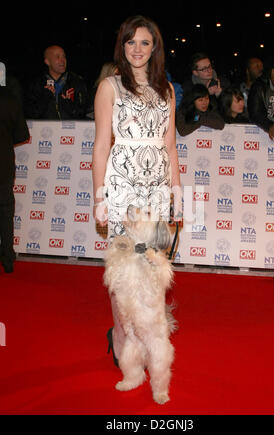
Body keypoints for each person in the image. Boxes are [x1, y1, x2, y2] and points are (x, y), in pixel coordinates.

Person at [92, 16, 182, 367]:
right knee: (123, 269)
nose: (138, 49)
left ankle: (149, 334)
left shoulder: (168, 90)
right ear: (122, 46)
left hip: (157, 188)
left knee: (152, 266)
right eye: (131, 42)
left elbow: (171, 146)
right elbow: (101, 146)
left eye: (145, 42)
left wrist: (178, 193)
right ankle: (120, 336)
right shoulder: (109, 87)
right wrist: (100, 197)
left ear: (155, 48)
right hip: (122, 187)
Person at [0, 86, 29, 273]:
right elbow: (22, 135)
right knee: (5, 211)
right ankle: (8, 258)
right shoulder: (10, 101)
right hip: (3, 163)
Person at [25, 45, 88, 120]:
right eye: (57, 57)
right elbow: (30, 113)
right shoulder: (37, 84)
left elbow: (83, 112)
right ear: (47, 62)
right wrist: (45, 98)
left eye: (64, 56)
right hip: (44, 130)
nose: (62, 60)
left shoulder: (76, 81)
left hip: (72, 130)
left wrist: (67, 104)